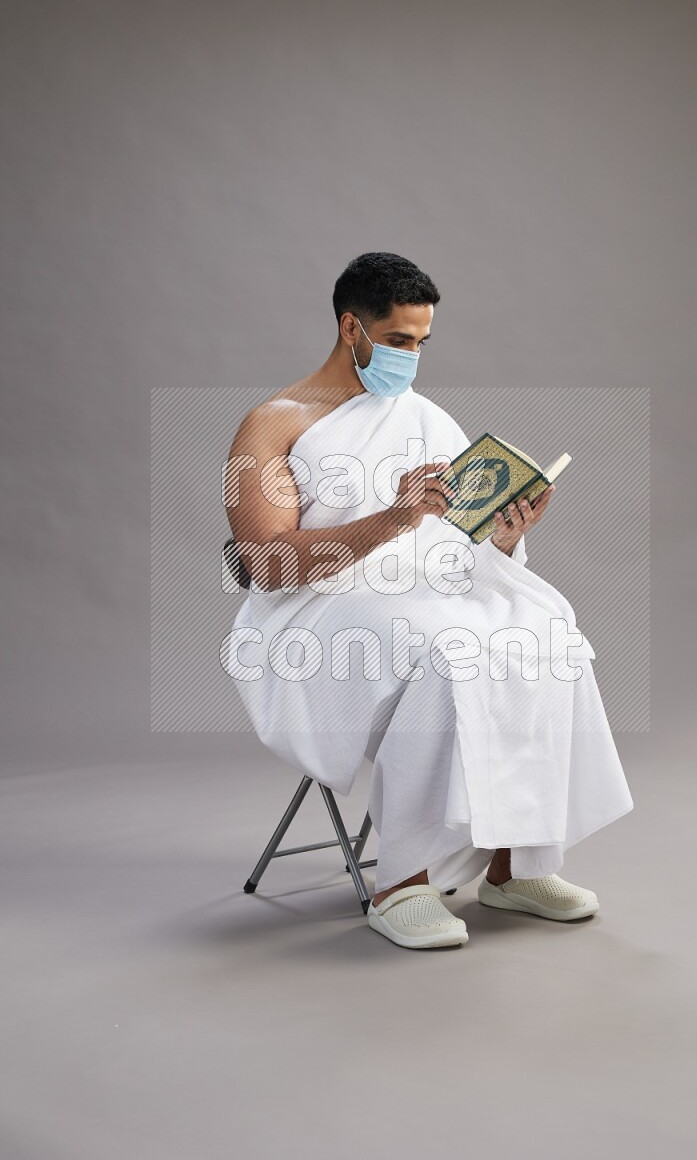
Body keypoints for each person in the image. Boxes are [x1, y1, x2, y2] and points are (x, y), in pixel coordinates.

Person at [222, 252, 634, 951]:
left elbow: (454, 545)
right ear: (351, 327)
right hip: (316, 610)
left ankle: (519, 865)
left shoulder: (427, 418)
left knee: (544, 628)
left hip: (425, 591)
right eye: (397, 340)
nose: (411, 357)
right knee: (446, 648)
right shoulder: (272, 424)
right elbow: (266, 564)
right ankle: (401, 881)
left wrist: (504, 539)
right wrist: (393, 517)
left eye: (421, 342)